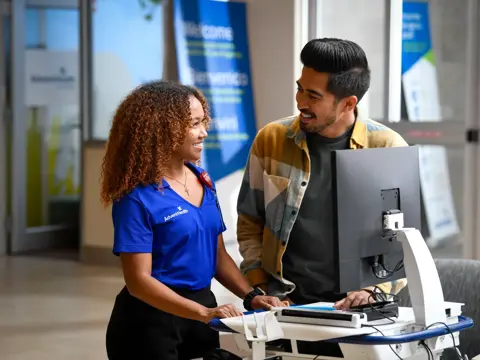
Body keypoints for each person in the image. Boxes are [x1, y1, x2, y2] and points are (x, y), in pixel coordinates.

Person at [101, 80, 287, 360]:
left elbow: (218, 255)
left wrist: (251, 296)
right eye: (194, 124)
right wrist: (203, 313)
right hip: (150, 322)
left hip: (201, 312)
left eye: (204, 122)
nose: (204, 132)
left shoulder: (203, 181)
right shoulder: (136, 197)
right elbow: (138, 280)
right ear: (162, 130)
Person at [237, 38, 408, 310]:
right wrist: (261, 287)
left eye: (313, 96)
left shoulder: (387, 148)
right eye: (299, 89)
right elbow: (249, 222)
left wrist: (373, 290)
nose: (300, 102)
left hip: (359, 309)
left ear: (348, 104)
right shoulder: (270, 139)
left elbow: (404, 241)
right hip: (285, 306)